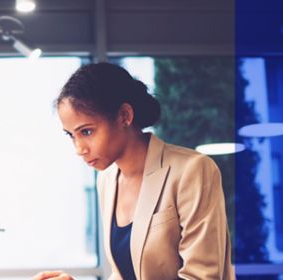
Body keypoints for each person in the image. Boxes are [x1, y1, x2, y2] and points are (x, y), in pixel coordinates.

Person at [32, 63, 234, 280]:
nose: (79, 149)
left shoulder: (192, 170)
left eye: (87, 131)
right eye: (71, 135)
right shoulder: (107, 181)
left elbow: (202, 277)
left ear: (124, 116)